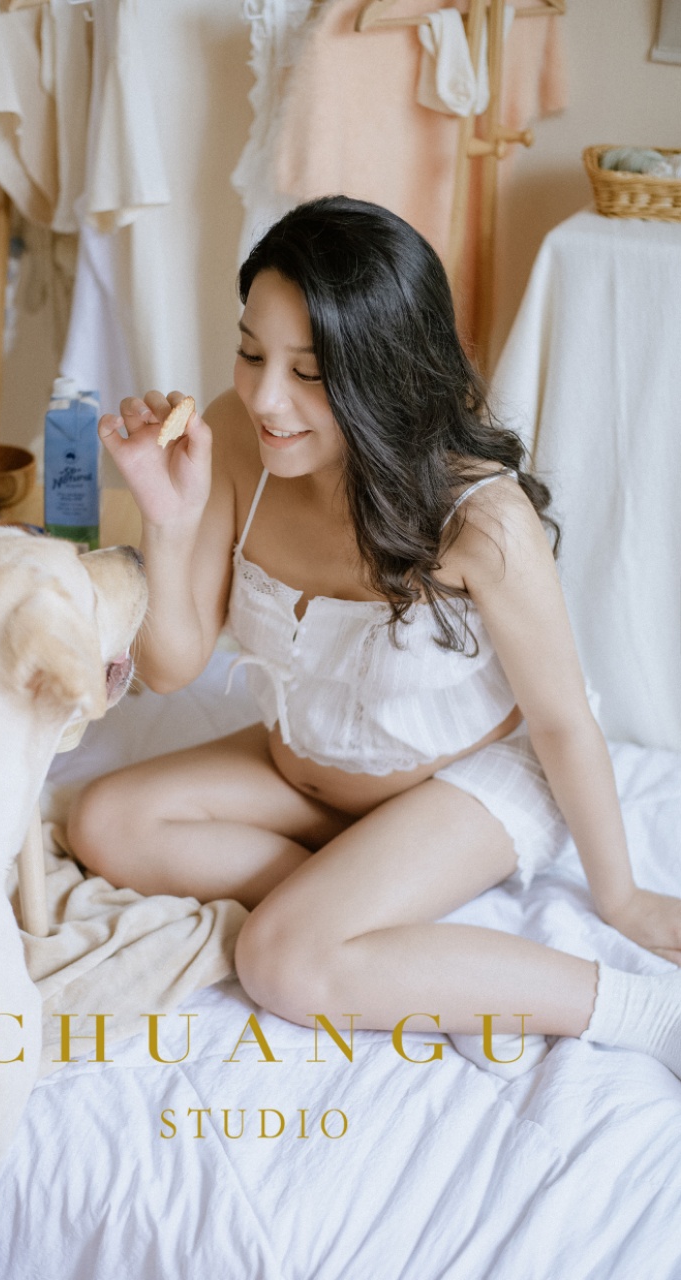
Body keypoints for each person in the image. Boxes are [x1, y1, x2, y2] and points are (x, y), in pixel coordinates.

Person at [67, 195, 681, 1075]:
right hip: (304, 772)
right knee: (105, 822)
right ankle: (376, 922)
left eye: (309, 372)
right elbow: (170, 669)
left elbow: (560, 724)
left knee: (281, 960)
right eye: (251, 353)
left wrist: (619, 899)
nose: (266, 397)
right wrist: (167, 516)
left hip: (468, 780)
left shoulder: (479, 518)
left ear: (385, 371)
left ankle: (646, 1010)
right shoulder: (235, 439)